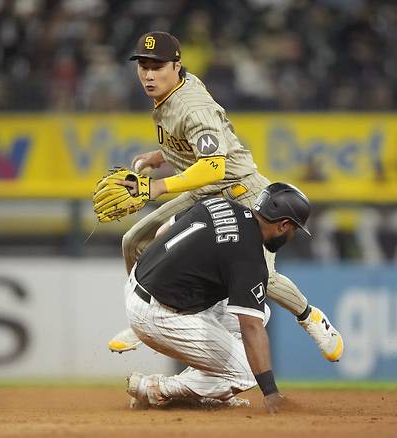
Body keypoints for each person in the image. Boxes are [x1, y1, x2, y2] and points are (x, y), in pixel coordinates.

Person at [108, 31, 340, 362]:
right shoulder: (170, 93)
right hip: (205, 192)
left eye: (157, 66)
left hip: (241, 192)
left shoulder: (193, 106)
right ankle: (146, 315)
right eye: (143, 65)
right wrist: (160, 157)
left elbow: (214, 167)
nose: (148, 73)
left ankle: (311, 317)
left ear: (176, 66)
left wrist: (157, 186)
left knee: (263, 275)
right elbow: (192, 146)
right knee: (134, 241)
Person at [124, 183, 343, 412]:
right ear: (283, 224)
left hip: (138, 283)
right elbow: (251, 328)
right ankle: (154, 388)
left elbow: (162, 232)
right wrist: (270, 392)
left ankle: (203, 389)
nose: (292, 235)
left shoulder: (219, 204)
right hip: (157, 314)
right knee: (246, 374)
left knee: (261, 312)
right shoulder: (249, 259)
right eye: (294, 229)